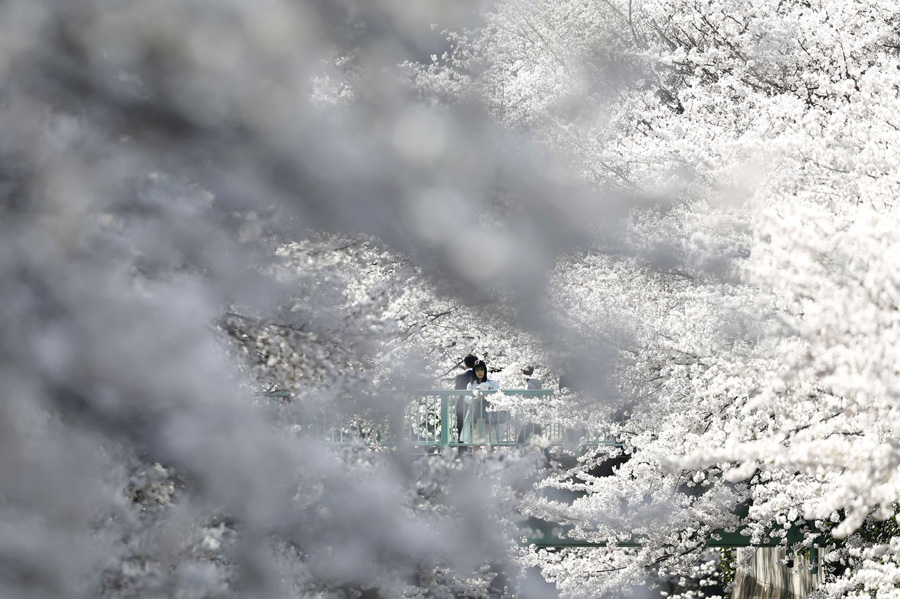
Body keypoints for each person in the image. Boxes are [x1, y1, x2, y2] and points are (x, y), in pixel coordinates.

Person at [463, 360, 501, 445]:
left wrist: (488, 396)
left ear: (485, 370)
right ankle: (477, 458)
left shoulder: (493, 383)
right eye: (477, 370)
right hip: (475, 416)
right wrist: (474, 399)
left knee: (490, 442)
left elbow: (498, 396)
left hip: (489, 415)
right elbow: (467, 397)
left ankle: (490, 458)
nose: (480, 372)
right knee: (476, 442)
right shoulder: (471, 384)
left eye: (481, 369)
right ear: (474, 372)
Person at [453, 354, 478, 447]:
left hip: (461, 405)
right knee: (477, 428)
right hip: (476, 405)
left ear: (465, 364)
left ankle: (462, 450)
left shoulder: (459, 377)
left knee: (461, 427)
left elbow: (457, 392)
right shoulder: (479, 376)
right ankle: (476, 451)